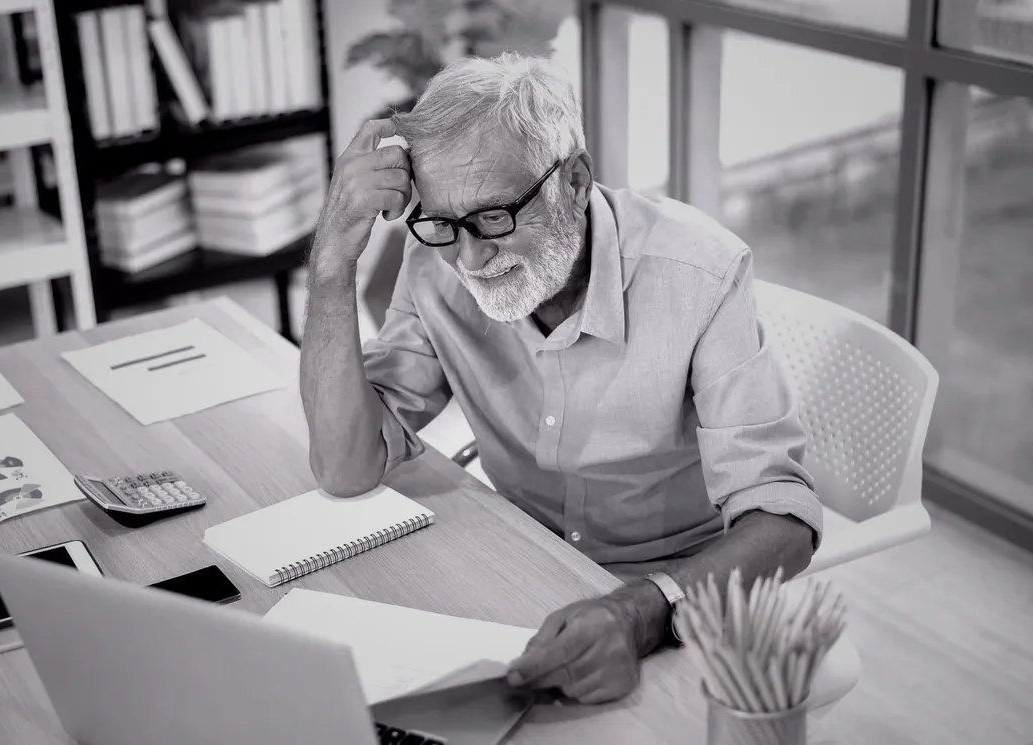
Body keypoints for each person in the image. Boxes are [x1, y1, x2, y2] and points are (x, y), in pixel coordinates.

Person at [300, 54, 822, 705]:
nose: (469, 257)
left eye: (493, 216)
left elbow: (783, 522)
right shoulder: (433, 263)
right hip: (526, 568)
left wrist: (642, 612)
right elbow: (345, 467)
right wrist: (331, 263)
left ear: (574, 180)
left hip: (678, 592)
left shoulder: (701, 274)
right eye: (441, 223)